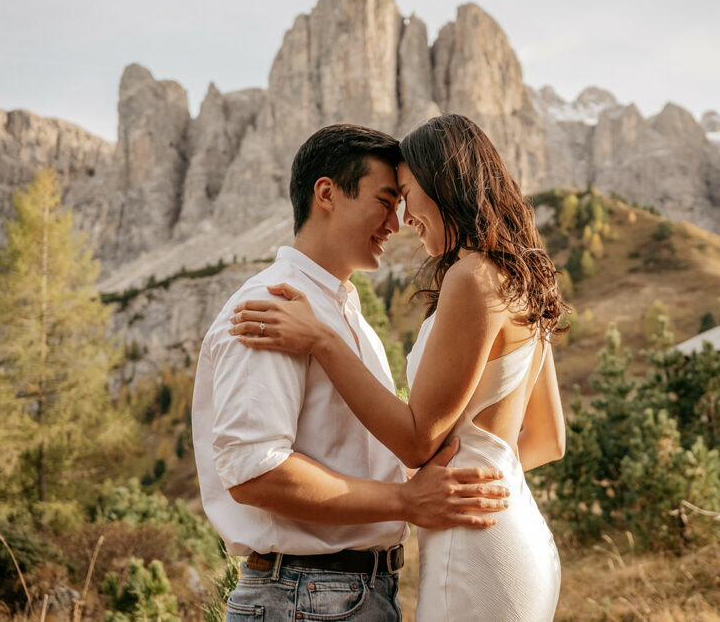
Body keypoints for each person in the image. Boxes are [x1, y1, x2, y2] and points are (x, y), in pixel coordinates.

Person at [230, 114, 569, 621]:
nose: (404, 217)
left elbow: (416, 440)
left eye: (406, 194)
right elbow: (548, 440)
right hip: (516, 533)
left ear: (445, 185)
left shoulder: (471, 277)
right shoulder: (517, 280)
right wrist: (467, 474)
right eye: (390, 200)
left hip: (475, 545)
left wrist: (323, 339)